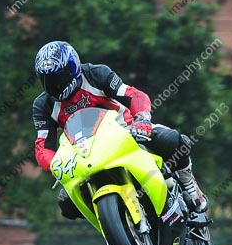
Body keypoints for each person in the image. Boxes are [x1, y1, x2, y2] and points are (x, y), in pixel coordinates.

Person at [32, 40, 208, 219]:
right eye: (47, 80)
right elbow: (42, 146)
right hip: (84, 153)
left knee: (172, 140)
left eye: (59, 77)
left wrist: (142, 119)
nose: (55, 85)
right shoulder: (42, 105)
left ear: (73, 68)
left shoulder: (95, 74)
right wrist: (55, 164)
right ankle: (111, 221)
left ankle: (190, 186)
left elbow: (133, 94)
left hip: (126, 131)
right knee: (66, 204)